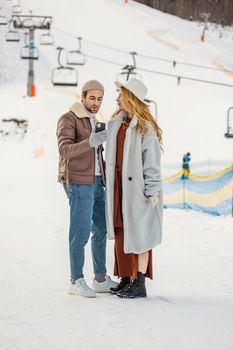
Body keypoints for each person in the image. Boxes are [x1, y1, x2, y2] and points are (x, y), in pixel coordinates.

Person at [56, 80, 118, 298]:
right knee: (80, 233)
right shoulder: (69, 118)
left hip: (97, 183)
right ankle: (76, 280)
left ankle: (100, 278)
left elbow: (95, 154)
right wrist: (91, 141)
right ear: (82, 97)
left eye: (100, 98)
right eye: (92, 98)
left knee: (101, 229)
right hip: (78, 182)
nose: (96, 102)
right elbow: (64, 150)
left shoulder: (94, 120)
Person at [105, 78, 163, 299]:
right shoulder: (117, 123)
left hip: (138, 192)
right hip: (119, 189)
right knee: (122, 232)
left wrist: (152, 192)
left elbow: (152, 164)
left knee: (140, 234)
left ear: (130, 98)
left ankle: (139, 283)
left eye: (120, 95)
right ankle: (126, 277)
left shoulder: (144, 128)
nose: (117, 99)